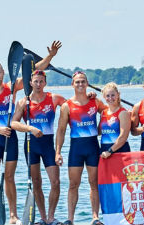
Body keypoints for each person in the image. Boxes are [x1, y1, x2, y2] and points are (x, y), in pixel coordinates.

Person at [0, 41, 61, 225]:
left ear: (4, 73)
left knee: (9, 177)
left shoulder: (11, 87)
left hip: (10, 138)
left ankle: (13, 215)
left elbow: (32, 70)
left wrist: (50, 56)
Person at [11, 70, 66, 225]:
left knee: (55, 182)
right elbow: (14, 123)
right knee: (36, 182)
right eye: (36, 81)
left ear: (45, 83)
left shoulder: (53, 98)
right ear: (31, 83)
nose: (38, 84)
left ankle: (51, 217)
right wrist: (31, 129)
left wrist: (89, 97)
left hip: (48, 145)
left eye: (41, 81)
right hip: (31, 146)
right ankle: (42, 217)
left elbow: (74, 105)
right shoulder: (23, 102)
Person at [55, 71, 106, 225]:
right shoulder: (66, 106)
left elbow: (110, 112)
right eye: (77, 82)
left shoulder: (95, 102)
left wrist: (99, 128)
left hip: (92, 147)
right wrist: (57, 152)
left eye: (83, 81)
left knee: (94, 183)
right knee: (73, 184)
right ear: (72, 84)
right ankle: (70, 219)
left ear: (87, 83)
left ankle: (95, 217)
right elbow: (61, 130)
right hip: (76, 148)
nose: (80, 84)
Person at [99, 82, 131, 158]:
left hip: (120, 151)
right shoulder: (103, 113)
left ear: (118, 95)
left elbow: (123, 137)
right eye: (107, 96)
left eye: (113, 95)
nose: (110, 98)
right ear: (104, 97)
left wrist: (110, 151)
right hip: (104, 150)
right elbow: (99, 132)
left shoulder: (123, 113)